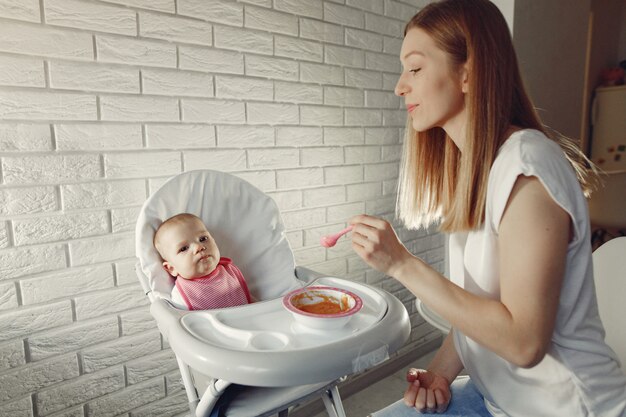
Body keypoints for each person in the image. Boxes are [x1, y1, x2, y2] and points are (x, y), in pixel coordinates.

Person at [348, 0, 626, 416]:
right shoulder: (474, 169)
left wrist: (402, 265)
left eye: (416, 68)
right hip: (498, 399)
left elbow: (523, 342)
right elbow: (483, 303)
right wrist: (441, 371)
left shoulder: (527, 169)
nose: (400, 86)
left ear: (467, 71)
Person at [154, 213, 252, 310]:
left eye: (203, 239)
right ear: (171, 268)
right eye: (184, 248)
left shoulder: (230, 273)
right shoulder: (182, 295)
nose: (198, 247)